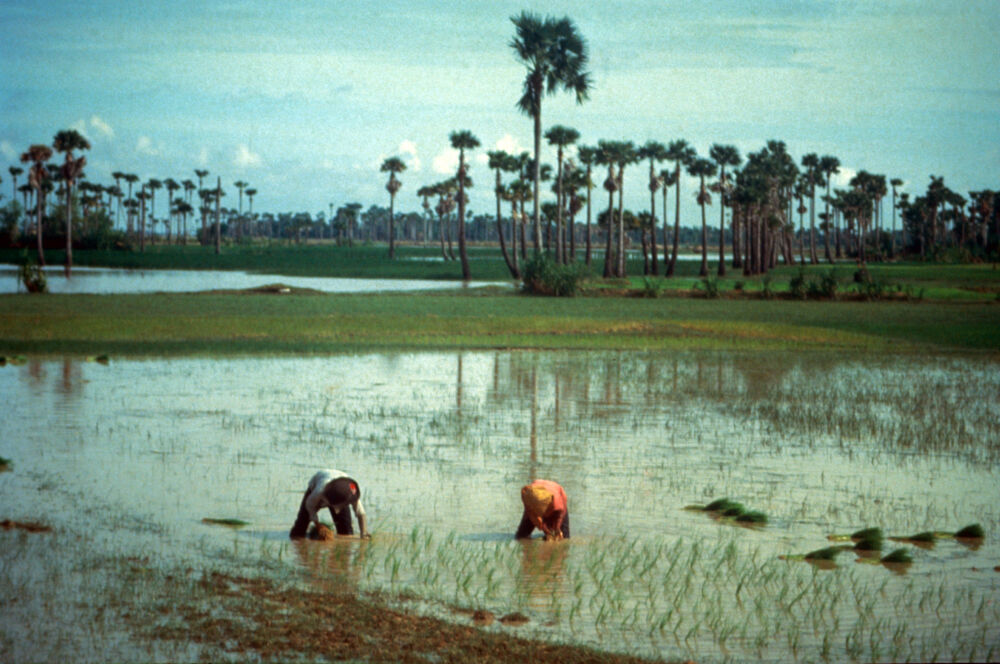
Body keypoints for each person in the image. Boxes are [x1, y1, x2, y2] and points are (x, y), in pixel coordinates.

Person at [290, 469, 370, 539]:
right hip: (318, 485)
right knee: (298, 531)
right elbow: (309, 505)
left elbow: (361, 513)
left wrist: (364, 533)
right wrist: (318, 525)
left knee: (346, 532)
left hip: (341, 491)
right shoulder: (319, 491)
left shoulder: (351, 492)